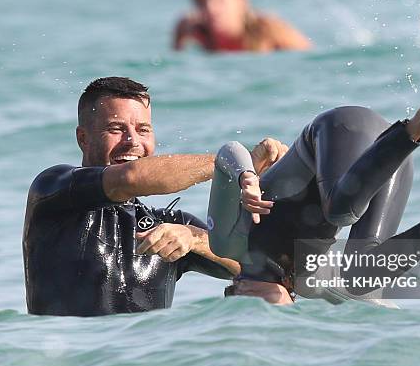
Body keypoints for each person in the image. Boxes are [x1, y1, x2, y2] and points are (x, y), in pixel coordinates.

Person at [22, 76, 286, 316]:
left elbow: (265, 266)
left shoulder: (169, 225)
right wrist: (235, 164)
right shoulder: (54, 191)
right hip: (72, 359)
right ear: (83, 138)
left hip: (146, 363)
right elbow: (131, 178)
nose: (133, 141)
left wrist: (193, 239)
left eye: (143, 130)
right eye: (116, 129)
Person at [207, 94, 420, 305]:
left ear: (236, 292)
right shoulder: (306, 280)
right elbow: (372, 300)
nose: (273, 316)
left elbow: (228, 152)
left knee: (339, 212)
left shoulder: (228, 244)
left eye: (258, 314)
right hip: (390, 162)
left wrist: (246, 176)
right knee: (358, 279)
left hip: (340, 130)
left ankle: (418, 123)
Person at [174, 0, 311, 52]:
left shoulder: (268, 29)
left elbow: (307, 56)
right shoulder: (192, 29)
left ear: (241, 2)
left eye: (220, 1)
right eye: (202, 3)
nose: (211, 9)